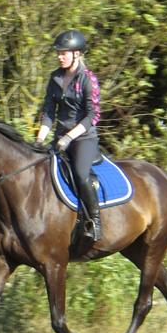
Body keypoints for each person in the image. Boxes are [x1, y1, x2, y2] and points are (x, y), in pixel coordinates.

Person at [36, 29, 102, 240]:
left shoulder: (88, 79)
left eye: (64, 52)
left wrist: (68, 138)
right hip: (59, 138)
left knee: (81, 174)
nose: (59, 56)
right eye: (58, 53)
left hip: (83, 139)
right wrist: (40, 139)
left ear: (77, 54)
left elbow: (92, 116)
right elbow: (48, 111)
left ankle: (94, 221)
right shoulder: (55, 78)